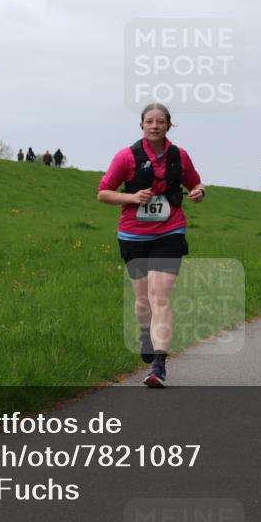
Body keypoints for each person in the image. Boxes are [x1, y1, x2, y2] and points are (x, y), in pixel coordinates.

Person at [97, 103, 205, 388]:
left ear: (169, 125)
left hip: (170, 232)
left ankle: (159, 365)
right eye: (149, 121)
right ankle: (146, 331)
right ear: (141, 125)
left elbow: (197, 184)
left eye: (160, 121)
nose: (155, 125)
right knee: (143, 300)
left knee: (160, 297)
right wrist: (132, 198)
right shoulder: (126, 157)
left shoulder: (179, 156)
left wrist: (198, 192)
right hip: (133, 237)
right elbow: (103, 193)